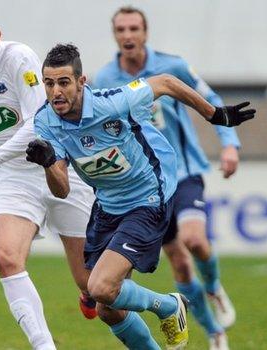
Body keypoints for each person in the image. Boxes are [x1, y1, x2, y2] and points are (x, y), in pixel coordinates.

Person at [27, 44, 254, 349]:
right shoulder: (45, 121)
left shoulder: (113, 102)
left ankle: (170, 306)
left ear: (82, 82)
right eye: (49, 83)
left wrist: (214, 114)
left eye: (64, 82)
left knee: (100, 287)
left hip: (147, 198)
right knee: (108, 308)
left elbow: (166, 82)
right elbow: (62, 189)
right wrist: (47, 163)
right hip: (107, 205)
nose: (56, 92)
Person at [0, 6, 95, 349]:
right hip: (14, 177)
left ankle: (148, 303)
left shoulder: (19, 59)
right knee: (5, 257)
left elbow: (38, 125)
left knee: (93, 285)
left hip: (56, 166)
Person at [94, 6, 238, 349]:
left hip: (185, 172)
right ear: (115, 35)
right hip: (147, 186)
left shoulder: (171, 66)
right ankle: (214, 332)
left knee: (196, 241)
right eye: (121, 30)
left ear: (145, 33)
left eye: (134, 28)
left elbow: (212, 100)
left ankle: (215, 285)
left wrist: (229, 145)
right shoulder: (103, 79)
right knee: (181, 267)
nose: (128, 35)